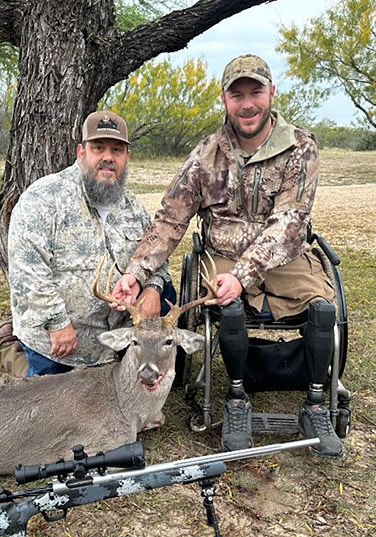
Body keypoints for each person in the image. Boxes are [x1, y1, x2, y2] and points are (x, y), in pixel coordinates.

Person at [111, 55, 341, 458]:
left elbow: (290, 221)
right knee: (227, 303)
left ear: (272, 93)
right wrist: (136, 271)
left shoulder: (300, 147)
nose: (247, 104)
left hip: (284, 257)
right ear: (225, 100)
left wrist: (245, 272)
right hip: (220, 254)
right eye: (238, 95)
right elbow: (170, 219)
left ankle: (316, 403)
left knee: (324, 309)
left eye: (255, 92)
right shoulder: (205, 156)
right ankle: (235, 400)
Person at [0, 110, 173, 376]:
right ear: (81, 152)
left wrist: (152, 289)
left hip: (115, 340)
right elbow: (26, 271)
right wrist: (57, 323)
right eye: (98, 148)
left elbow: (157, 260)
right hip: (58, 342)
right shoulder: (43, 199)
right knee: (48, 407)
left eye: (117, 150)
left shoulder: (135, 209)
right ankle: (5, 346)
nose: (108, 157)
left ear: (126, 157)